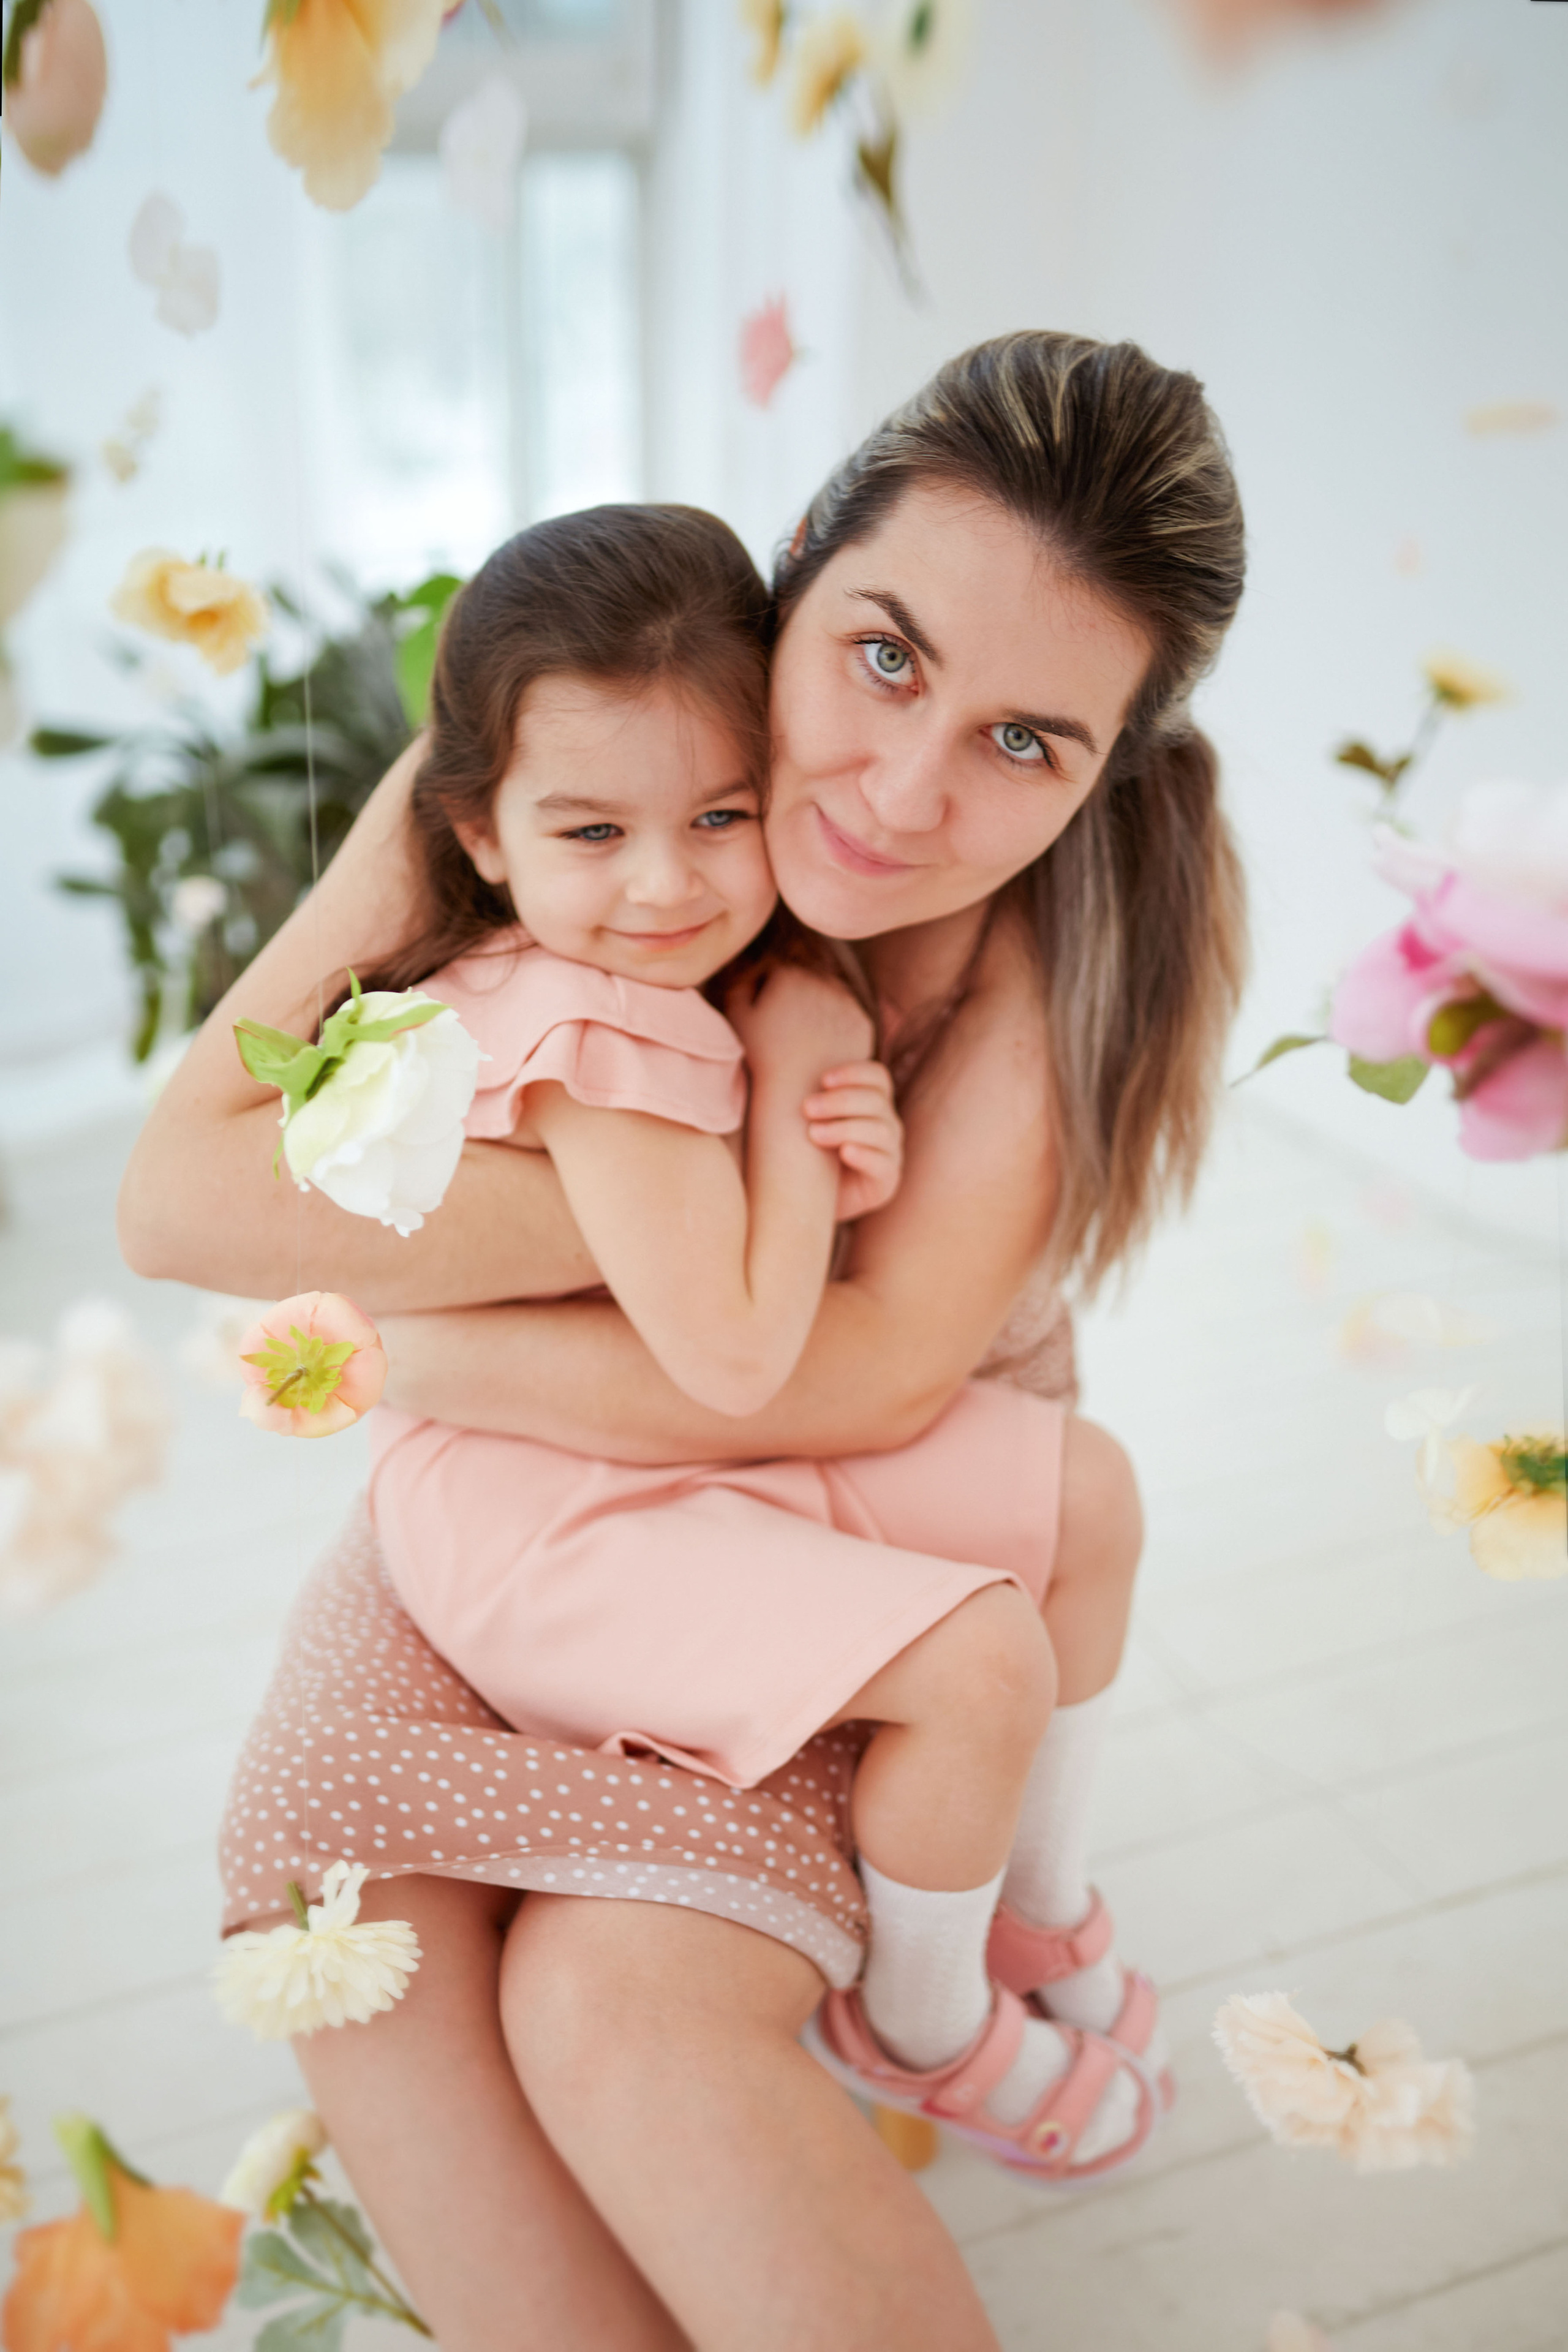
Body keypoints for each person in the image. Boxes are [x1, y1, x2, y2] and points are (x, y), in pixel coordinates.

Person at [121, 330, 1247, 2351]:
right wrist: (623, 1227)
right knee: (347, 1920)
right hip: (549, 1469)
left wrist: (422, 1336)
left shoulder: (1056, 947)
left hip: (809, 1469)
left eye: (1026, 742)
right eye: (885, 656)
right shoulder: (582, 722)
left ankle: (964, 1969)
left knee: (609, 2002)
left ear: (1107, 770)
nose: (903, 793)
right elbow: (182, 1200)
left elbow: (856, 1377)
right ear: (796, 563)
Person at [339, 499, 1159, 2182]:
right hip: (555, 1523)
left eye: (721, 815)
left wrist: (803, 1068)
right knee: (981, 1662)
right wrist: (802, 1125)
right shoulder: (599, 1035)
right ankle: (922, 2027)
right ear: (481, 837)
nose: (667, 886)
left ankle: (1034, 1906)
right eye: (592, 834)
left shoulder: (650, 983)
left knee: (1090, 1496)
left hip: (636, 1450)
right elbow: (732, 1353)